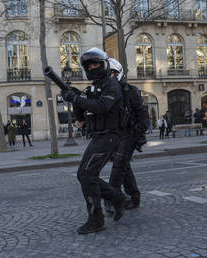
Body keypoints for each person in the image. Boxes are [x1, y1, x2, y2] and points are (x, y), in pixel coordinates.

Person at [60, 48, 126, 234]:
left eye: (95, 64)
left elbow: (101, 106)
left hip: (110, 136)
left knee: (87, 175)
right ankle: (117, 198)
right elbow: (81, 117)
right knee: (84, 175)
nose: (92, 68)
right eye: (88, 66)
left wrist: (78, 98)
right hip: (98, 136)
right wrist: (74, 97)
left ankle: (96, 220)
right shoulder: (93, 89)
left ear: (104, 65)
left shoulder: (112, 86)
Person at [105, 58, 149, 213]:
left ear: (118, 74)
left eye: (112, 73)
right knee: (124, 167)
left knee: (118, 165)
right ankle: (134, 197)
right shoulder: (105, 94)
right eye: (107, 73)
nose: (109, 76)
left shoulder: (130, 91)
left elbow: (143, 116)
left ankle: (112, 199)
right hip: (114, 136)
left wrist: (137, 135)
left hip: (129, 134)